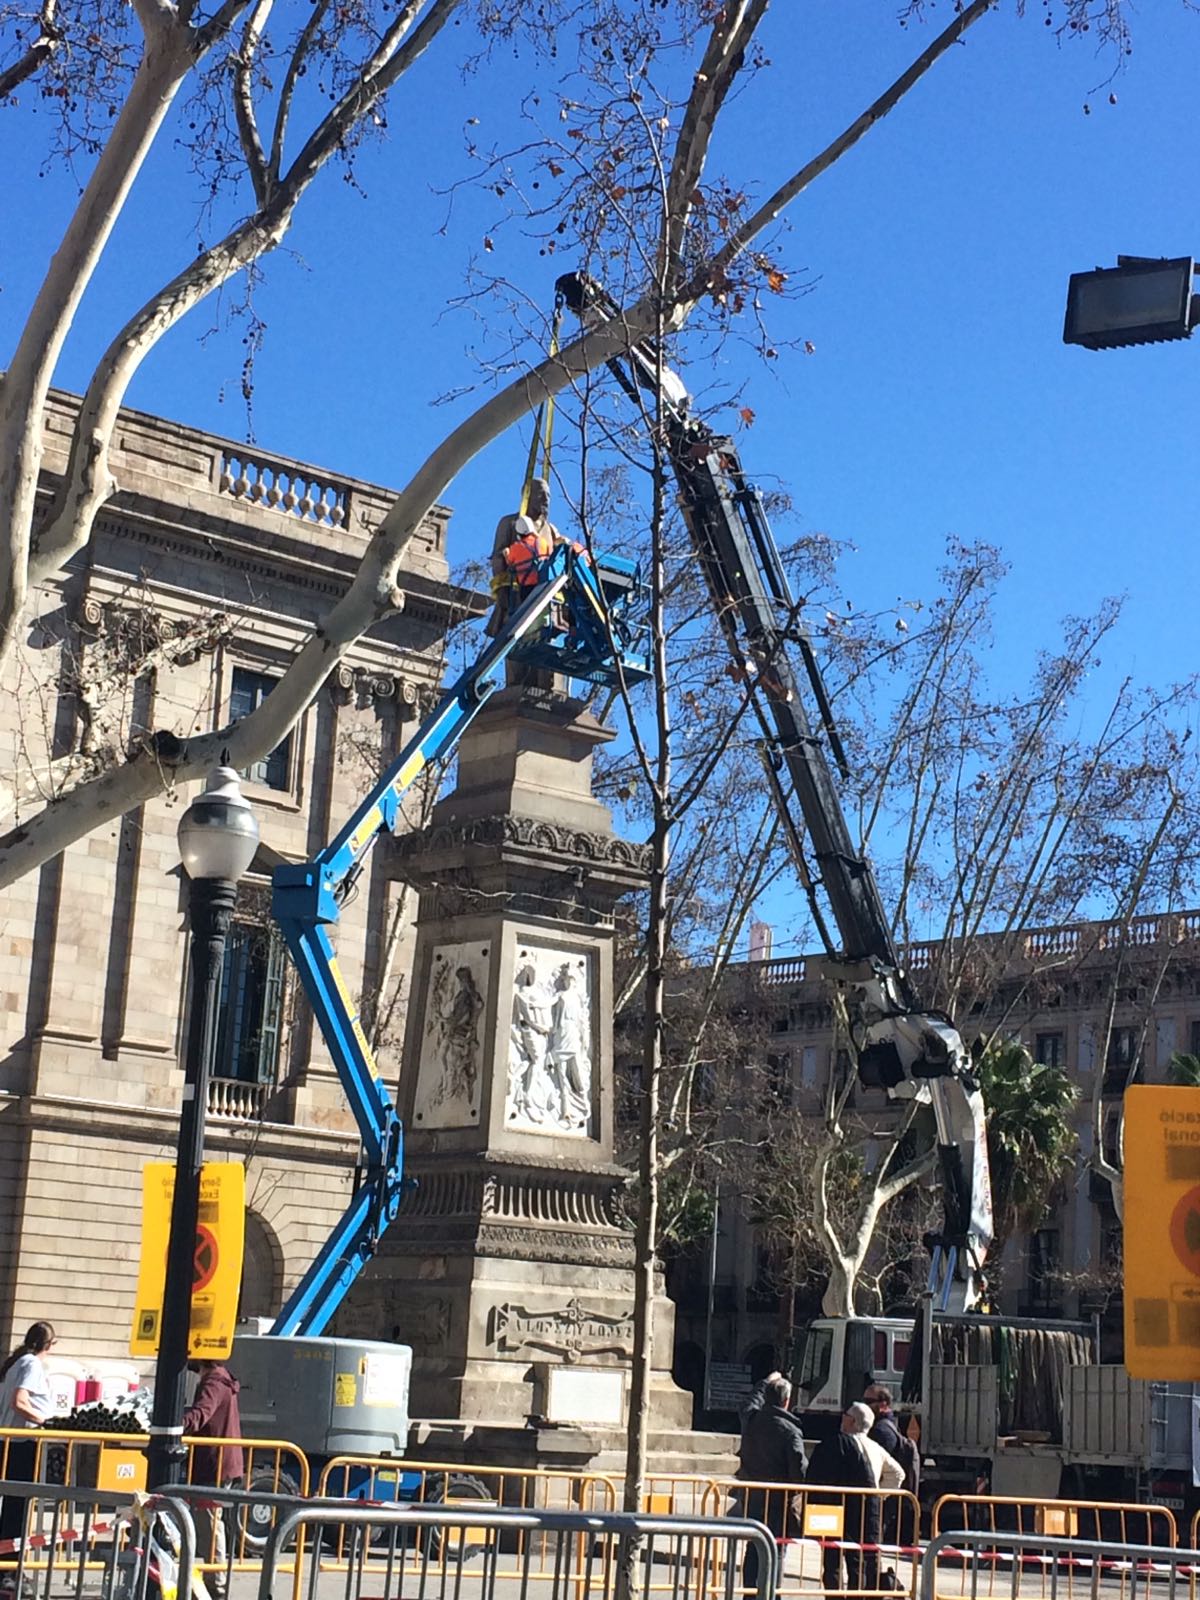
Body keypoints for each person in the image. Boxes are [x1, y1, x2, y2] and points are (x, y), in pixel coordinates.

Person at [734, 1373, 806, 1591]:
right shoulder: (791, 1431)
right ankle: (770, 1593)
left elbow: (748, 1403)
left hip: (752, 1494)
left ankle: (749, 1592)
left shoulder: (752, 1420)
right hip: (778, 1499)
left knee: (754, 1545)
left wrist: (765, 1381)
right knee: (775, 1549)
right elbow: (799, 1471)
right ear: (787, 1401)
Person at [182, 1360, 244, 1600]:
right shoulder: (220, 1378)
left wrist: (176, 1424)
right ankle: (213, 1581)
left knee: (210, 1524)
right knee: (208, 1522)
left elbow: (201, 1414)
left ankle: (216, 1586)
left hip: (215, 1464)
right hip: (217, 1462)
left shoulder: (214, 1381)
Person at [0, 1321, 56, 1568]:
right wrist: (44, 1420)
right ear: (49, 1345)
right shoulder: (32, 1365)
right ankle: (9, 1568)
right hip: (22, 1441)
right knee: (17, 1508)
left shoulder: (14, 1364)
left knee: (9, 1504)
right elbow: (19, 1401)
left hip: (7, 1440)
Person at [806, 1403, 879, 1594]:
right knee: (855, 1561)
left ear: (852, 1420)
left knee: (831, 1562)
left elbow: (811, 1476)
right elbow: (869, 1482)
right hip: (855, 1511)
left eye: (845, 1414)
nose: (841, 1417)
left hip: (827, 1509)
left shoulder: (829, 1444)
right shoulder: (860, 1448)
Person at [864, 1384, 919, 1546]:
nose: (864, 1405)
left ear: (883, 1404)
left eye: (868, 1401)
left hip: (881, 1498)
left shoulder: (882, 1431)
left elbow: (877, 1467)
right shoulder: (888, 1425)